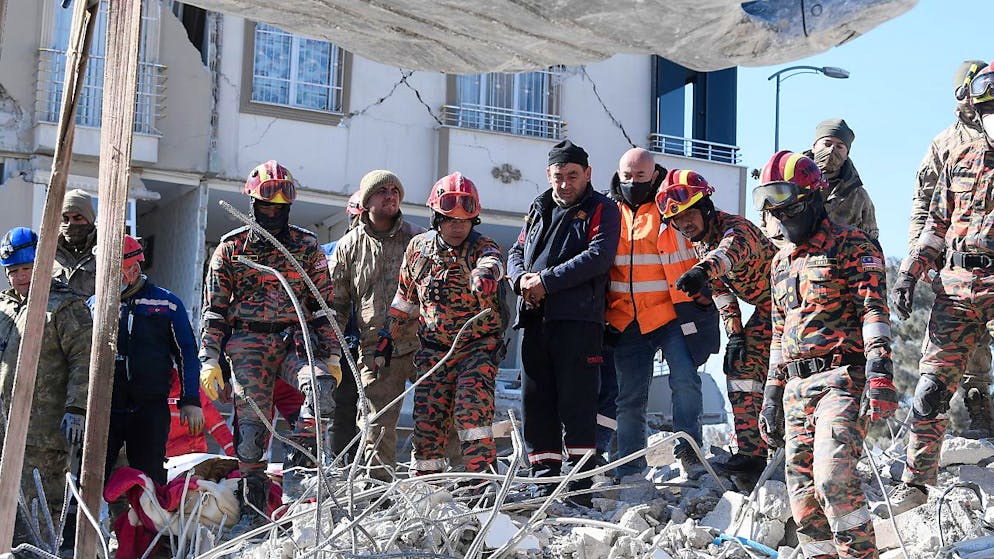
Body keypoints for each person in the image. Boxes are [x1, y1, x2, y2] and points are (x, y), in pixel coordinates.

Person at [755, 150, 895, 559]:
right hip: (795, 389)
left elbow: (874, 309)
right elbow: (779, 333)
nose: (780, 218)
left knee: (833, 480)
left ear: (813, 198)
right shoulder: (780, 262)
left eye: (788, 206)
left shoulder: (852, 244)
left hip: (841, 381)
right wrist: (770, 396)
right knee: (803, 500)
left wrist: (881, 373)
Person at [199, 160, 342, 534]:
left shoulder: (306, 246)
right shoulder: (231, 248)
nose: (274, 212)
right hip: (247, 343)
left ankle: (299, 467)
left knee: (321, 389)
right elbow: (214, 309)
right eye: (267, 205)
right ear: (252, 203)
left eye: (281, 207)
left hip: (295, 339)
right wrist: (209, 358)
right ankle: (253, 510)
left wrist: (331, 355)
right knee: (250, 431)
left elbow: (322, 306)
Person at [891, 61, 994, 513]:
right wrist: (910, 271)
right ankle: (915, 485)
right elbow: (935, 221)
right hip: (955, 290)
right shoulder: (955, 154)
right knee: (930, 390)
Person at [507, 140, 621, 505]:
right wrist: (520, 279)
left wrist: (546, 281)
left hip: (579, 322)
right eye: (559, 176)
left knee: (577, 405)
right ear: (548, 175)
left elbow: (598, 256)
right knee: (536, 402)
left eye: (573, 176)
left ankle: (579, 487)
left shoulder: (603, 208)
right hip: (534, 320)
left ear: (588, 174)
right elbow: (516, 251)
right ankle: (542, 482)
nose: (565, 183)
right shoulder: (538, 207)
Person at [382, 172, 507, 477]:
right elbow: (405, 299)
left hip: (476, 349)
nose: (457, 226)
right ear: (437, 217)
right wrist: (388, 336)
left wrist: (486, 275)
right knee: (427, 425)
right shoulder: (418, 249)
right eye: (451, 220)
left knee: (471, 415)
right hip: (434, 353)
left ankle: (481, 483)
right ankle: (426, 489)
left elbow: (493, 260)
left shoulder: (481, 247)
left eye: (464, 221)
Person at [605, 148, 719, 481]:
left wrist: (704, 292)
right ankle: (629, 464)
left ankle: (689, 451)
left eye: (640, 176)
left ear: (654, 175)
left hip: (673, 313)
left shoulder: (672, 205)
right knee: (629, 396)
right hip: (627, 318)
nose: (632, 182)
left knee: (685, 380)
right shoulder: (609, 211)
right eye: (627, 176)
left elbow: (701, 240)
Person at [658, 168, 777, 477]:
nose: (684, 224)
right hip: (768, 309)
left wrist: (701, 270)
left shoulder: (735, 229)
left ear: (706, 207)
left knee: (784, 377)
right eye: (677, 221)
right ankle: (751, 453)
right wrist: (735, 334)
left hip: (794, 306)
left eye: (689, 215)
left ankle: (795, 448)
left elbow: (727, 255)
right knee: (739, 368)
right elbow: (722, 291)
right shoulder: (701, 242)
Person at [906, 59, 993, 439]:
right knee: (944, 367)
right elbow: (927, 206)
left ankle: (981, 414)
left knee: (978, 355)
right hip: (954, 270)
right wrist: (915, 261)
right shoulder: (948, 145)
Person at [329, 171, 424, 481]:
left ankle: (443, 489)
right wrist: (329, 352)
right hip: (376, 352)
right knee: (376, 427)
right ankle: (379, 496)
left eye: (395, 190)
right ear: (366, 200)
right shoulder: (348, 247)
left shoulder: (421, 241)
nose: (390, 195)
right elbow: (337, 306)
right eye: (382, 191)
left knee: (441, 419)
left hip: (425, 345)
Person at [0, 227, 92, 547]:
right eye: (13, 271)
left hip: (42, 438)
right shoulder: (5, 308)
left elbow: (85, 359)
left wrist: (76, 409)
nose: (20, 277)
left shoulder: (66, 307)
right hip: (4, 434)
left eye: (26, 269)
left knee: (35, 521)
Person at [94, 235, 204, 486]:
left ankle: (151, 526)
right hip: (106, 408)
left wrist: (191, 400)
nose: (115, 280)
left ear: (135, 269)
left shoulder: (167, 304)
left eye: (120, 273)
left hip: (149, 408)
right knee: (92, 476)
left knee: (150, 479)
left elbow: (186, 352)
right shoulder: (94, 305)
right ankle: (84, 524)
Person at [760, 119, 879, 245]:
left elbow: (870, 244)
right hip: (784, 260)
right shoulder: (784, 182)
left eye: (839, 146)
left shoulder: (857, 197)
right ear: (814, 147)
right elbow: (764, 232)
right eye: (827, 144)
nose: (832, 150)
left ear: (847, 154)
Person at [53, 188, 99, 296]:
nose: (70, 224)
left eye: (77, 218)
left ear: (89, 219)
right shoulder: (50, 252)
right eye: (65, 219)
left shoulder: (104, 249)